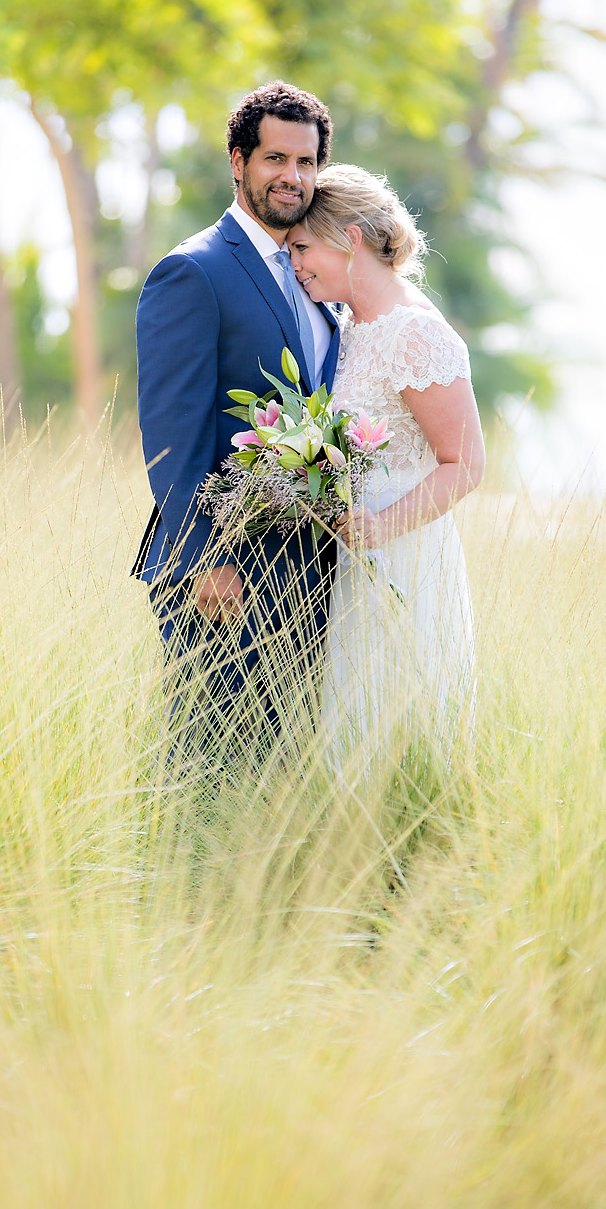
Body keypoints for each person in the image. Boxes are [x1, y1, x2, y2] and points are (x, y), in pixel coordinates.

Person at [132, 82, 342, 755]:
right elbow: (172, 437)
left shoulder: (319, 282)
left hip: (305, 574)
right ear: (237, 160)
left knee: (279, 774)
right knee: (209, 761)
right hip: (220, 578)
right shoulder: (193, 272)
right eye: (276, 159)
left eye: (306, 163)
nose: (293, 177)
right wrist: (207, 558)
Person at [287, 164, 484, 775]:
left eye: (301, 247)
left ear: (348, 238)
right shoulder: (345, 328)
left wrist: (384, 525)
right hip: (350, 553)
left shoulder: (415, 332)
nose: (294, 264)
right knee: (350, 730)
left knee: (402, 726)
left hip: (403, 552)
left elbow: (466, 465)